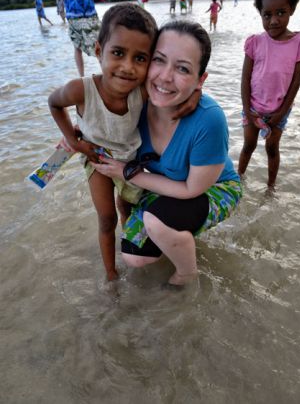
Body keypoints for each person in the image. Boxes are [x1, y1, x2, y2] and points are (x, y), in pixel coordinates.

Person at [48, 4, 199, 282]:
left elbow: (173, 88)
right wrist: (74, 140)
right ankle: (111, 275)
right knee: (106, 218)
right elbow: (54, 103)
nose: (128, 67)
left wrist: (194, 95)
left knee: (127, 207)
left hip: (131, 161)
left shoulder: (142, 91)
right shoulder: (80, 90)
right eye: (118, 53)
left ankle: (131, 245)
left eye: (140, 58)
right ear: (97, 50)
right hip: (97, 159)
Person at [92, 20, 242, 286]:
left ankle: (186, 273)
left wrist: (128, 173)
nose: (164, 76)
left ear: (201, 80)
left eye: (183, 68)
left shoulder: (209, 119)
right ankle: (177, 233)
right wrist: (73, 136)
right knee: (134, 257)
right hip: (168, 184)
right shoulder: (133, 104)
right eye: (159, 60)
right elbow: (95, 103)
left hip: (213, 187)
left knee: (158, 222)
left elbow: (191, 189)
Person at [238, 0, 300, 190]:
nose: (274, 20)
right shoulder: (255, 42)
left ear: (292, 10)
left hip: (279, 110)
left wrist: (279, 114)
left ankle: (270, 188)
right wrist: (247, 110)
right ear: (260, 13)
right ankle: (237, 181)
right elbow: (245, 78)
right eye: (267, 15)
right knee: (248, 145)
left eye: (281, 12)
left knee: (271, 149)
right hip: (253, 108)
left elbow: (295, 83)